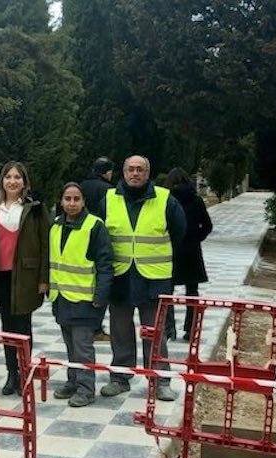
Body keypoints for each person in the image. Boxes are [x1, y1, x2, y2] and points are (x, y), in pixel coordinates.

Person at [100, 155, 187, 402]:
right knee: (120, 330)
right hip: (120, 276)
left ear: (148, 173)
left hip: (154, 278)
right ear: (123, 172)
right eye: (130, 169)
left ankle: (160, 380)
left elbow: (179, 232)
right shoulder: (108, 200)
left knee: (155, 331)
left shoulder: (165, 199)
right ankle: (120, 377)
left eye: (140, 170)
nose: (135, 174)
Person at [0, 161, 50, 396]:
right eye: (8, 177)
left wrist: (44, 278)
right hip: (0, 275)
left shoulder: (34, 209)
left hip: (26, 276)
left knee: (23, 326)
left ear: (24, 182)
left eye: (17, 177)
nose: (12, 181)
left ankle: (24, 373)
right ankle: (12, 374)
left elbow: (44, 245)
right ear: (2, 181)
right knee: (7, 326)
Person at [49, 182, 113, 407]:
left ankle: (86, 389)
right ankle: (73, 380)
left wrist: (101, 295)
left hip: (85, 300)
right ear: (61, 201)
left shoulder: (94, 226)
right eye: (68, 198)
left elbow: (105, 264)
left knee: (83, 347)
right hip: (62, 298)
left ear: (84, 201)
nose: (72, 203)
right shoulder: (56, 225)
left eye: (76, 199)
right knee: (70, 345)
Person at [164, 168, 213, 340]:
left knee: (167, 292)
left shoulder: (166, 201)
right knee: (192, 292)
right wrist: (196, 238)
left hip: (171, 250)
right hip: (192, 251)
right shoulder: (196, 200)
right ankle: (190, 329)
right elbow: (207, 226)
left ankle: (169, 328)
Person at [81, 157, 115, 341]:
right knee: (101, 284)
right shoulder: (109, 191)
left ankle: (85, 325)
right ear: (107, 172)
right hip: (101, 239)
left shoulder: (81, 186)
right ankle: (96, 328)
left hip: (80, 241)